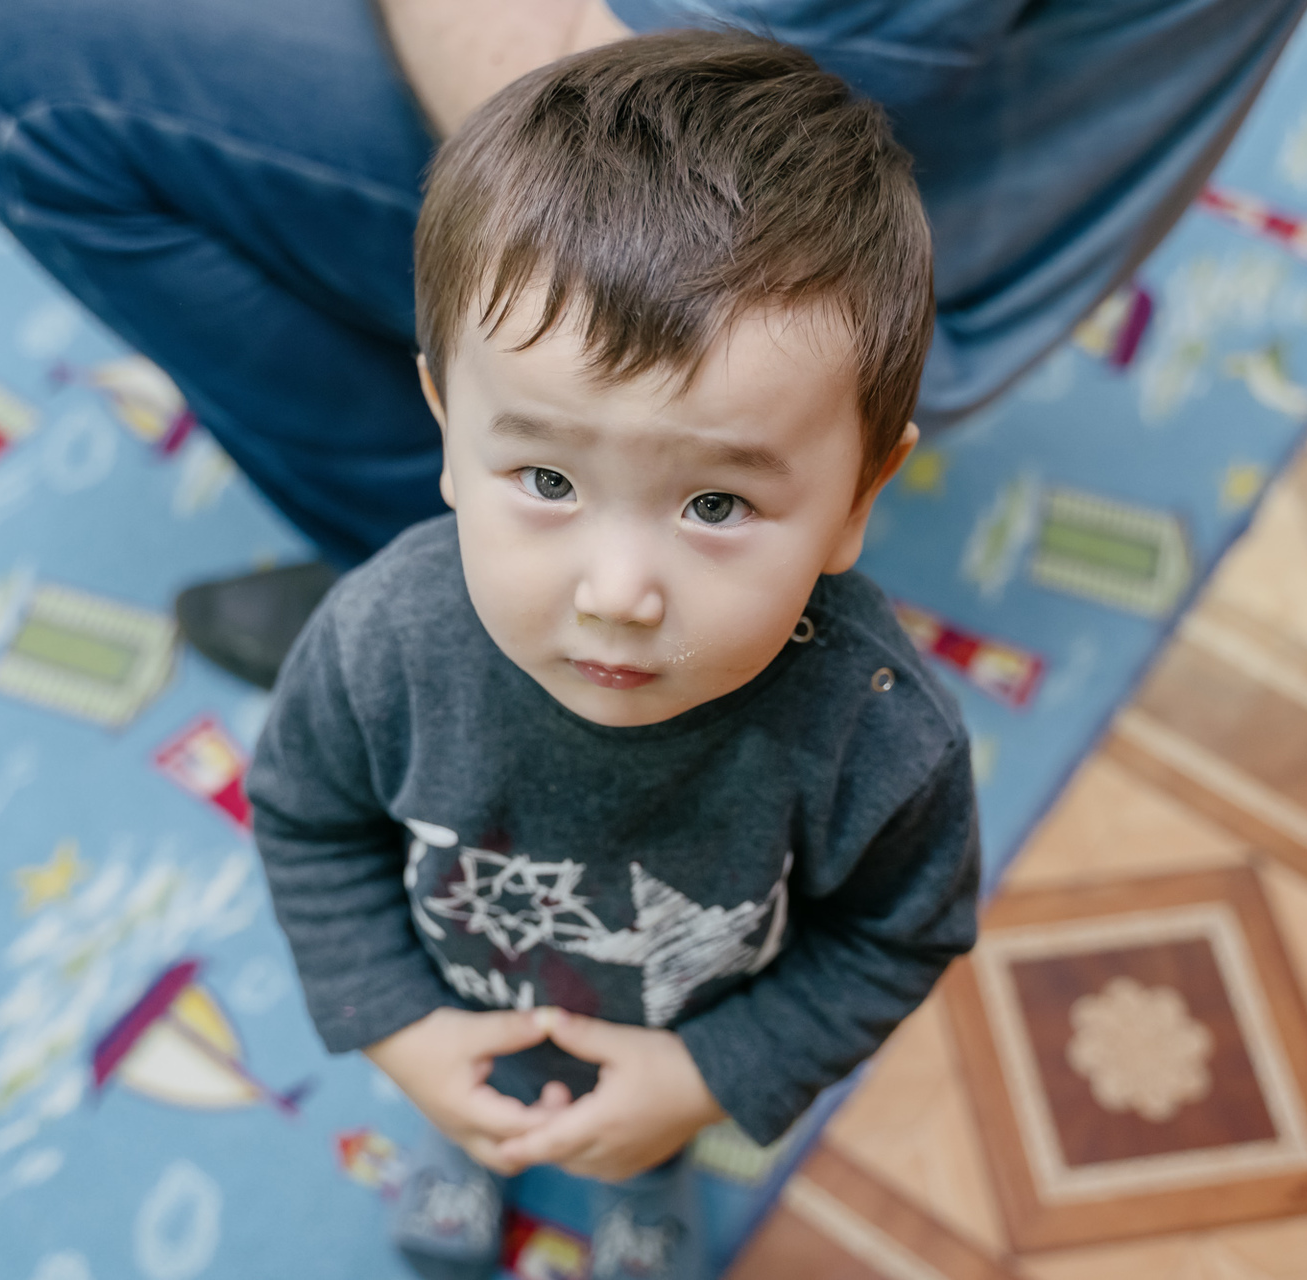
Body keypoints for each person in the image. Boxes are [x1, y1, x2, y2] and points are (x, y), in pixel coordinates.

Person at [0, 0, 1307, 690]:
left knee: (10, 61)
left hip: (768, 231)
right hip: (849, 141)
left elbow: (643, 169)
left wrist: (692, 1086)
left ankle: (454, 637)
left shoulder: (872, 777)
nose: (626, 598)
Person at [242, 32, 974, 1280]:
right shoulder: (380, 637)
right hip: (465, 1013)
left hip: (679, 1035)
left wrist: (700, 1079)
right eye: (545, 478)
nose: (619, 594)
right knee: (477, 1095)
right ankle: (468, 1135)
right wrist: (409, 1036)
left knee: (640, 1133)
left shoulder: (878, 731)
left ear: (862, 490)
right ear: (448, 427)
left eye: (716, 504)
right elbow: (307, 822)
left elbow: (898, 935)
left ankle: (644, 1173)